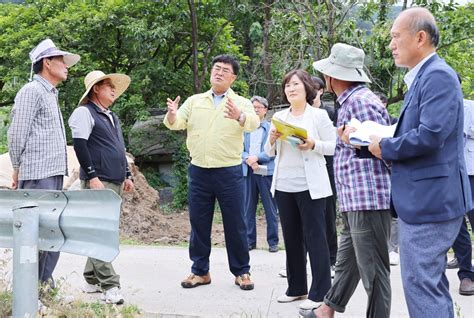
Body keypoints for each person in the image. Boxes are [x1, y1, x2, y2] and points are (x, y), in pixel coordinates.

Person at [368, 8, 472, 317]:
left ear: (420, 37)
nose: (391, 45)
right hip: (427, 199)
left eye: (396, 36)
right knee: (427, 284)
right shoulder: (425, 77)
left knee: (421, 284)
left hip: (431, 202)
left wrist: (386, 146)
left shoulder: (437, 75)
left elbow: (431, 135)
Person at [306, 43, 392, 318]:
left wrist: (352, 141)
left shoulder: (359, 103)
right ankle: (326, 311)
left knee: (374, 272)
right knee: (348, 261)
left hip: (366, 199)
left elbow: (383, 149)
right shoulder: (353, 101)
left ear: (335, 77)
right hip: (355, 198)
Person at [164, 54, 260, 291]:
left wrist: (239, 115)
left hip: (229, 172)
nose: (219, 72)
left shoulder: (241, 102)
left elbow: (254, 122)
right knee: (199, 221)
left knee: (235, 223)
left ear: (233, 77)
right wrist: (173, 113)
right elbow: (175, 124)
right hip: (199, 171)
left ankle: (242, 272)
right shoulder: (196, 100)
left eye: (225, 70)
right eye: (216, 68)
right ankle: (200, 271)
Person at [7, 38, 80, 288]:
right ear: (47, 63)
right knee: (38, 234)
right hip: (38, 174)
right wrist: (17, 167)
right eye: (61, 60)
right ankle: (32, 291)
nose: (66, 65)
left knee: (52, 232)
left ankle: (42, 286)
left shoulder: (50, 93)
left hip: (51, 173)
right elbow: (16, 133)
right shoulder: (32, 90)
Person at [266, 69, 336, 311]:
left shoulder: (318, 116)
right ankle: (296, 288)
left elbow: (334, 146)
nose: (290, 88)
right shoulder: (279, 116)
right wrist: (273, 139)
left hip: (311, 186)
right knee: (292, 237)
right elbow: (268, 152)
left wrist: (313, 144)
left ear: (307, 88)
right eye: (287, 85)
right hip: (284, 184)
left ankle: (320, 292)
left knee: (315, 237)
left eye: (295, 84)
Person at [68, 70, 133, 304]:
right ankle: (110, 284)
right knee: (98, 234)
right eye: (108, 85)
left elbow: (119, 147)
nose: (113, 89)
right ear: (96, 89)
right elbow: (80, 146)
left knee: (102, 232)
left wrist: (127, 174)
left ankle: (90, 278)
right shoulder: (84, 113)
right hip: (99, 180)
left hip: (115, 180)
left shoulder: (111, 116)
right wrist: (92, 176)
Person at [242, 95, 279, 253]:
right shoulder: (244, 129)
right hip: (248, 170)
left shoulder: (271, 128)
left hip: (265, 172)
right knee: (247, 207)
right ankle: (250, 241)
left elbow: (273, 149)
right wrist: (248, 160)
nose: (256, 110)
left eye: (258, 107)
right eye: (253, 108)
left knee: (270, 208)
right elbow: (239, 148)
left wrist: (256, 158)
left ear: (265, 110)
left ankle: (273, 242)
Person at [446, 98, 474, 296]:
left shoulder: (469, 107)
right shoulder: (434, 105)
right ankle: (467, 274)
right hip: (449, 172)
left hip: (471, 170)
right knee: (456, 224)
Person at [311, 76, 338, 273]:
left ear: (321, 90)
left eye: (314, 88)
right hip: (307, 167)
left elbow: (334, 142)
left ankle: (332, 258)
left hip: (327, 167)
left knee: (328, 214)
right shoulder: (299, 112)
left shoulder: (329, 112)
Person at [374, 91, 400, 266]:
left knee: (394, 213)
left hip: (393, 172)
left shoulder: (395, 122)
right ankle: (381, 248)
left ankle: (393, 249)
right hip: (374, 175)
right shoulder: (367, 124)